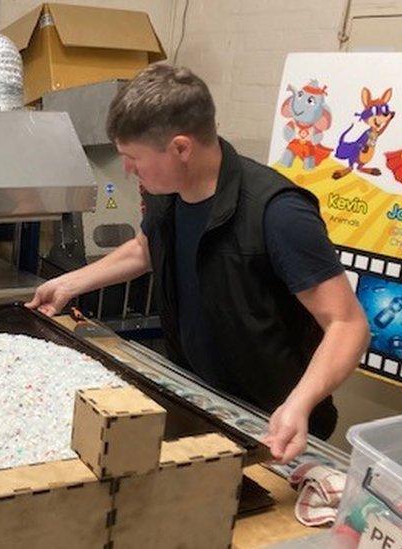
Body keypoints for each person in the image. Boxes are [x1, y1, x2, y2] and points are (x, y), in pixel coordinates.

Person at [27, 64, 370, 464]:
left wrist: (299, 404)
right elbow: (146, 248)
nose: (128, 170)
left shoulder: (278, 214)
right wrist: (73, 282)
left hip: (272, 425)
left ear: (181, 148)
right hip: (198, 398)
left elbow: (348, 325)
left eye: (133, 157)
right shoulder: (166, 190)